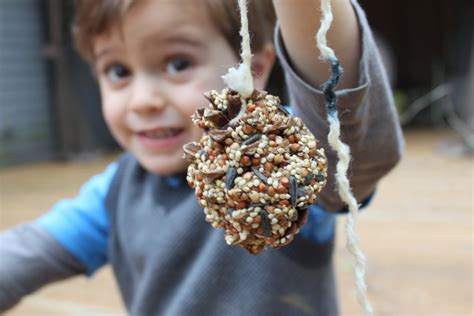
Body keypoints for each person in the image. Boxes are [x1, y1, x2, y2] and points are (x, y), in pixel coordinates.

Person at [0, 0, 403, 315]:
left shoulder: (280, 162)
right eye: (118, 71)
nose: (144, 101)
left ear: (252, 70)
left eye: (178, 63)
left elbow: (350, 135)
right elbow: (26, 254)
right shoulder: (114, 193)